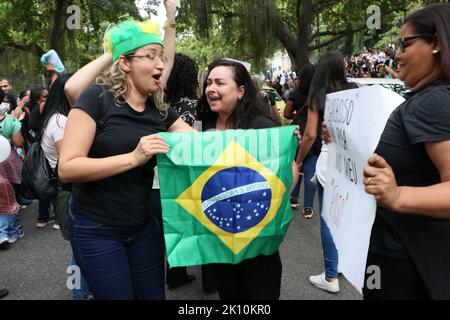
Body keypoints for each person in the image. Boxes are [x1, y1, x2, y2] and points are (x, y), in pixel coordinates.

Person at [59, 0, 193, 300]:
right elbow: (67, 168)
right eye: (151, 56)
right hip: (97, 229)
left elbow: (199, 144)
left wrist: (264, 141)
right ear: (124, 63)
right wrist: (134, 157)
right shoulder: (97, 99)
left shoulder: (159, 109)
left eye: (162, 58)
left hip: (143, 226)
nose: (161, 64)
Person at [362, 3, 450, 299]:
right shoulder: (428, 99)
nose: (396, 54)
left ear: (436, 43)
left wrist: (398, 196)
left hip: (406, 265)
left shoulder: (433, 101)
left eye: (406, 44)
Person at [197, 58, 299, 300]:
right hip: (220, 240)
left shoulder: (261, 127)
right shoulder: (204, 125)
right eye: (208, 82)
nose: (211, 88)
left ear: (241, 91)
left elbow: (290, 171)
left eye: (220, 83)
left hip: (257, 241)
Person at [296, 52, 358, 293]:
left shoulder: (318, 96)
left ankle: (331, 276)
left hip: (329, 163)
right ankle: (341, 263)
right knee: (346, 215)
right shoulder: (355, 88)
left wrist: (299, 160)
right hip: (351, 163)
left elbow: (310, 134)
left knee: (329, 218)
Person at [284, 64, 319, 218]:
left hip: (297, 133)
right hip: (315, 135)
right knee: (311, 170)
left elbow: (286, 113)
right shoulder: (320, 96)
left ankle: (294, 198)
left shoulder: (295, 95)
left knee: (296, 165)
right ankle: (308, 207)